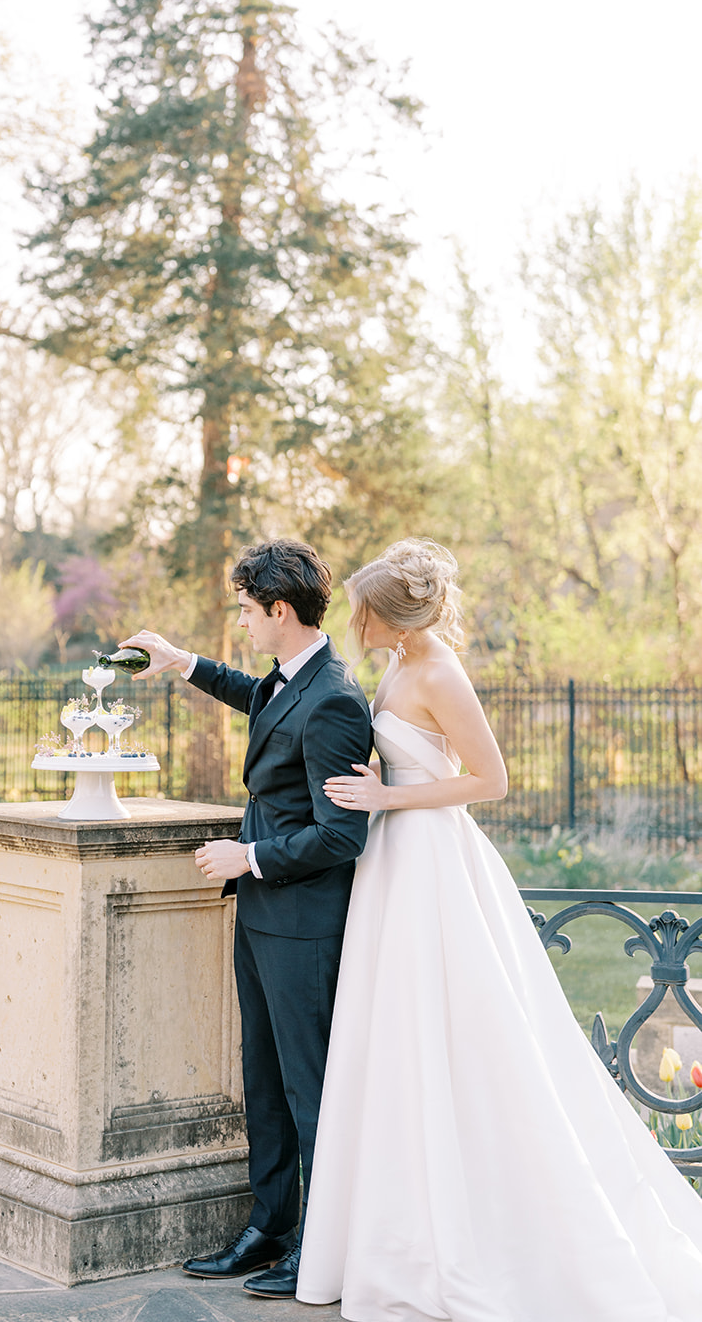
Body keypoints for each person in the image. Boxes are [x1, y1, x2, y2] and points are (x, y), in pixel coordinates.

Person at [296, 537, 702, 1321]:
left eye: (363, 610)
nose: (353, 621)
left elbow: (489, 779)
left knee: (460, 1032)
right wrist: (385, 784)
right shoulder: (396, 664)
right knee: (398, 1035)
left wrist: (389, 800)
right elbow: (416, 758)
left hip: (433, 865)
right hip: (392, 862)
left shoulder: (440, 672)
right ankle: (398, 1226)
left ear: (395, 618)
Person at [124, 538, 371, 1298]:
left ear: (281, 611)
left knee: (309, 1090)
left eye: (245, 611)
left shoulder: (332, 697)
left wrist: (248, 858)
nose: (241, 624)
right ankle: (269, 1227)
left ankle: (320, 1245)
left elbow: (340, 833)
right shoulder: (290, 679)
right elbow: (259, 700)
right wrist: (181, 661)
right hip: (265, 914)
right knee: (261, 1081)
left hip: (303, 921)